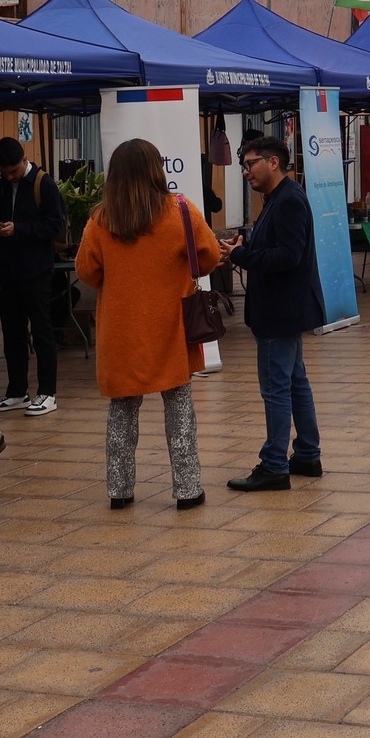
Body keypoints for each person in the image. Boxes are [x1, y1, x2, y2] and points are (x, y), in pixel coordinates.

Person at [75, 138, 220, 511]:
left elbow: (87, 272)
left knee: (122, 410)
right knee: (179, 406)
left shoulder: (101, 220)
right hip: (172, 327)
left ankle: (119, 490)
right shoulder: (180, 211)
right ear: (157, 169)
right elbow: (208, 258)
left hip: (121, 331)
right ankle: (188, 489)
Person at [220, 135, 327, 493]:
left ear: (274, 163)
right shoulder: (278, 198)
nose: (245, 172)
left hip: (280, 311)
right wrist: (245, 246)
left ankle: (274, 465)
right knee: (295, 382)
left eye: (251, 164)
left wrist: (241, 257)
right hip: (285, 309)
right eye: (244, 166)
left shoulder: (289, 200)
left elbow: (288, 256)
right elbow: (277, 246)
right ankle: (307, 455)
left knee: (276, 387)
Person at [0, 137, 67, 417]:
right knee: (13, 333)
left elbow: (54, 225)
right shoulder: (3, 184)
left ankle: (48, 392)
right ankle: (17, 391)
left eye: (13, 171)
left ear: (24, 160)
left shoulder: (44, 183)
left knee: (42, 332)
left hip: (36, 269)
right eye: (4, 172)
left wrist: (17, 229)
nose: (9, 176)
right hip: (8, 269)